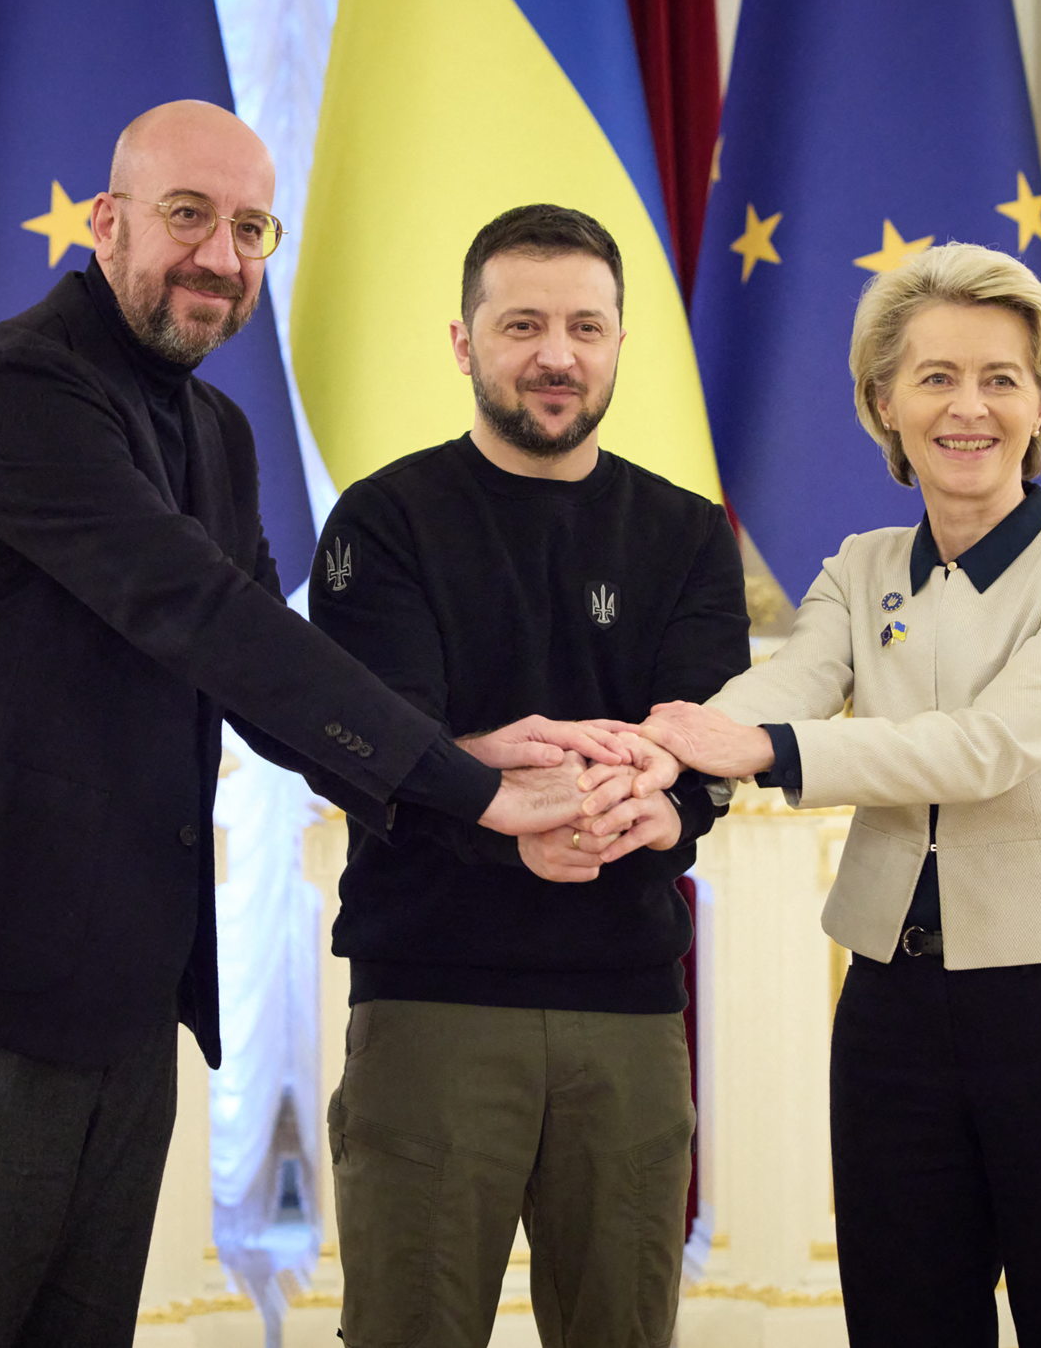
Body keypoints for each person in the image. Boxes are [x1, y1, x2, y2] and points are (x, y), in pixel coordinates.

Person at [0, 103, 622, 1348]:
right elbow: (203, 615)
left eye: (250, 229)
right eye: (187, 216)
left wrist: (452, 760)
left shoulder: (214, 429)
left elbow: (267, 670)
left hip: (121, 995)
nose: (219, 255)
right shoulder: (18, 389)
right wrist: (469, 790)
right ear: (106, 223)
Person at [636, 242, 1041, 1348]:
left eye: (1000, 379)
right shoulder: (861, 566)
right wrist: (665, 751)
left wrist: (756, 747)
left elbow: (982, 750)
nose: (967, 407)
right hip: (892, 1013)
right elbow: (785, 684)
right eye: (935, 377)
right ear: (883, 402)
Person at [309, 203, 749, 1348]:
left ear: (618, 343)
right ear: (464, 343)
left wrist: (638, 807)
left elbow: (700, 747)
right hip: (429, 1000)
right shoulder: (381, 521)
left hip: (629, 1006)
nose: (557, 355)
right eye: (522, 325)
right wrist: (508, 807)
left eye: (584, 328)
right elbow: (371, 742)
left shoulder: (688, 534)